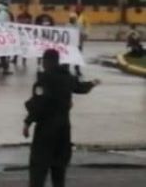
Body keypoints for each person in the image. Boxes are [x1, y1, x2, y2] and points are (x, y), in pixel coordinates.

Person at [23, 49, 101, 187]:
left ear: (47, 61)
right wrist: (93, 83)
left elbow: (39, 104)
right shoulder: (68, 78)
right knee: (59, 171)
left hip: (45, 131)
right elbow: (80, 88)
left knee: (38, 170)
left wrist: (27, 122)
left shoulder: (44, 80)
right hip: (63, 131)